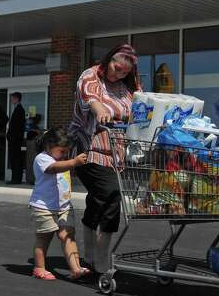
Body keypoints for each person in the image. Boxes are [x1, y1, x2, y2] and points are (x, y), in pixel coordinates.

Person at [69, 44, 140, 273]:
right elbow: (89, 98)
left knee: (105, 200)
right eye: (116, 67)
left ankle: (95, 254)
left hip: (116, 155)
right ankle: (97, 256)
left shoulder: (127, 89)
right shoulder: (90, 76)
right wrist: (99, 110)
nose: (118, 74)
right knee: (110, 193)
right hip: (88, 150)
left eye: (124, 72)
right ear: (108, 59)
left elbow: (141, 108)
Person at [29, 127, 90, 281]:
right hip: (44, 207)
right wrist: (73, 162)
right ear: (49, 146)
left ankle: (76, 269)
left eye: (67, 152)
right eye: (61, 151)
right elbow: (53, 169)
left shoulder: (63, 160)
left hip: (64, 206)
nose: (65, 155)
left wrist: (72, 163)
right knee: (44, 238)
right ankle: (39, 268)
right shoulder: (42, 159)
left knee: (68, 236)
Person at [7, 92, 26, 184]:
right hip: (15, 139)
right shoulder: (18, 109)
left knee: (15, 159)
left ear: (17, 99)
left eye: (12, 98)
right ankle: (15, 178)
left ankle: (16, 179)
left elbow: (17, 126)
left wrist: (12, 136)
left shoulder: (19, 110)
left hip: (15, 139)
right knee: (15, 158)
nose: (11, 100)